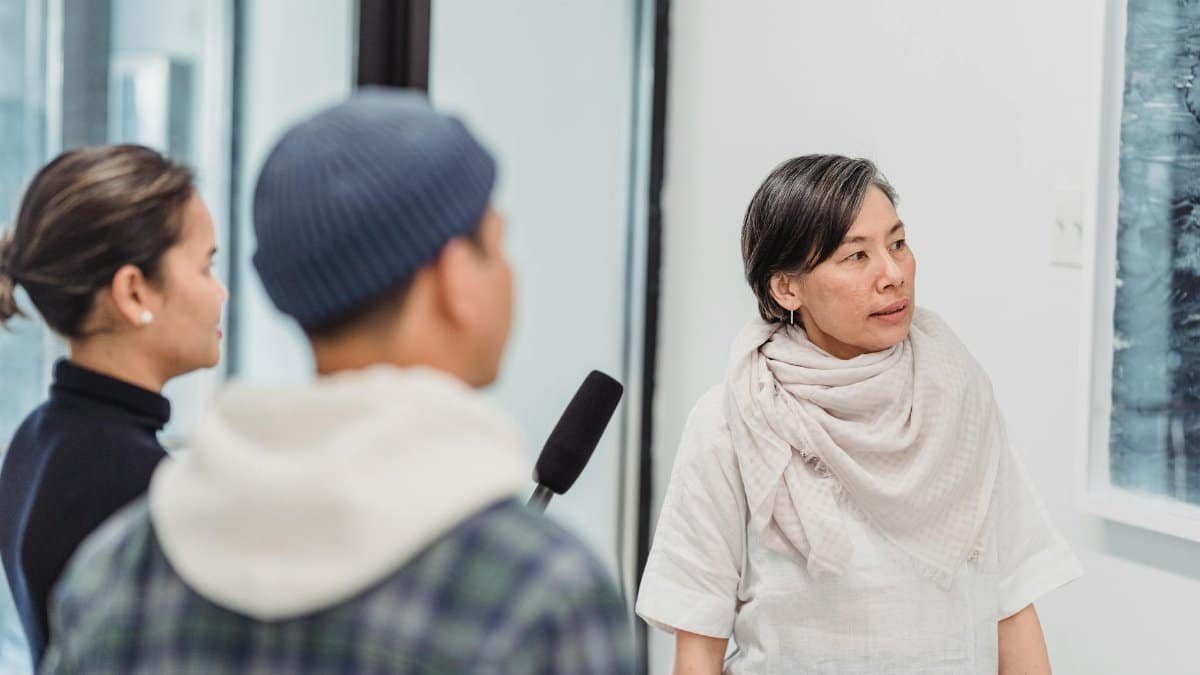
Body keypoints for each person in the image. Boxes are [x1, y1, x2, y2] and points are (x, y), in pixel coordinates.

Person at [40, 89, 635, 674]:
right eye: (497, 247)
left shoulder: (113, 574)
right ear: (454, 278)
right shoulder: (542, 599)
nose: (509, 274)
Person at [636, 154, 1082, 674]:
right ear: (787, 288)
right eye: (856, 256)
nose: (892, 274)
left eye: (897, 244)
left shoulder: (958, 396)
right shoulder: (733, 418)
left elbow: (1013, 599)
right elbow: (699, 637)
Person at [0, 144, 225, 667]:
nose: (221, 294)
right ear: (133, 293)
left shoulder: (37, 437)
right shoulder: (135, 485)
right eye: (205, 268)